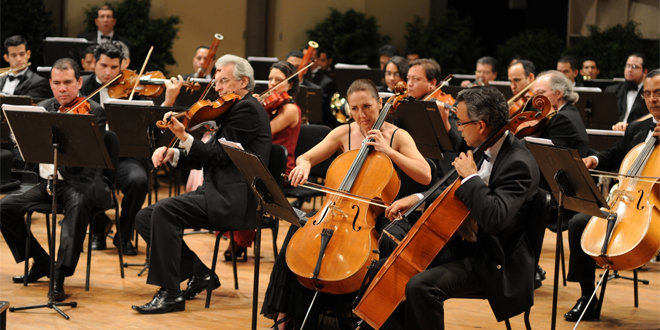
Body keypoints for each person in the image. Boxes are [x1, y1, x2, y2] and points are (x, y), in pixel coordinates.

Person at [262, 79, 432, 329]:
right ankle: (286, 317)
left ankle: (366, 317)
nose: (361, 115)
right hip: (335, 211)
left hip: (376, 214)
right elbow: (307, 155)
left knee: (386, 240)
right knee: (297, 231)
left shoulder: (397, 136)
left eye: (367, 106)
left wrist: (390, 151)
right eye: (354, 109)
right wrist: (305, 163)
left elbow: (425, 174)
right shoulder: (344, 132)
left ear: (380, 103)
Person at [378, 86, 540, 329]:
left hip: (494, 260)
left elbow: (495, 219)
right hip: (463, 245)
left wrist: (472, 178)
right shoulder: (485, 145)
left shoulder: (518, 164)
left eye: (461, 123)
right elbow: (453, 192)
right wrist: (419, 198)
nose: (457, 128)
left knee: (420, 286)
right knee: (385, 271)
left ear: (481, 125)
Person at [131, 54, 271, 314]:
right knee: (145, 217)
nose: (216, 88)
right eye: (216, 81)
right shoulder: (232, 108)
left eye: (223, 81)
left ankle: (171, 293)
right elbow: (209, 157)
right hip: (217, 191)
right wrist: (174, 154)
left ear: (243, 82)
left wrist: (183, 136)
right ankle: (199, 273)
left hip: (234, 199)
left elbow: (215, 156)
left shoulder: (247, 108)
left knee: (163, 211)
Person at [0, 58, 109, 302]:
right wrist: (23, 142)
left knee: (78, 206)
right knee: (4, 207)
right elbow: (21, 147)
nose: (63, 89)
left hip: (78, 182)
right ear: (50, 84)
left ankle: (59, 275)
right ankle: (41, 261)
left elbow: (91, 158)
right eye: (57, 83)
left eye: (68, 82)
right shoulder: (42, 108)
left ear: (79, 82)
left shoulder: (94, 111)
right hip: (44, 183)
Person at [564, 68, 660, 322]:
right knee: (578, 223)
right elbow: (616, 155)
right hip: (631, 203)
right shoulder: (638, 129)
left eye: (658, 93)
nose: (653, 99)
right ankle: (587, 297)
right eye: (648, 94)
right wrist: (593, 160)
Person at [226, 61, 302, 261]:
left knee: (249, 184)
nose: (272, 84)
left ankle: (238, 239)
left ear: (290, 85)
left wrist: (256, 108)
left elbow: (265, 132)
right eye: (270, 79)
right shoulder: (272, 106)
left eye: (278, 80)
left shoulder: (291, 110)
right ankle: (233, 233)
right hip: (262, 163)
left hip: (280, 169)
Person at [532, 70, 590, 158]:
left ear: (558, 93)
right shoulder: (571, 110)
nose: (536, 99)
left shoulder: (562, 119)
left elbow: (551, 158)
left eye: (541, 93)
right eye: (534, 95)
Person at [604, 53, 650, 131]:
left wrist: (630, 127)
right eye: (628, 66)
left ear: (645, 72)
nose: (629, 70)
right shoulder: (611, 91)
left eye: (634, 67)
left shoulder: (650, 93)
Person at [80, 42, 124, 106]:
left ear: (120, 66)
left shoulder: (130, 89)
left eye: (114, 67)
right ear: (94, 62)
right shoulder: (81, 86)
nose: (108, 72)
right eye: (104, 66)